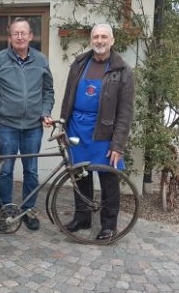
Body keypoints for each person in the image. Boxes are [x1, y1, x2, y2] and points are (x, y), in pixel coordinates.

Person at [59, 23, 134, 240]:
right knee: (80, 176)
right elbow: (68, 97)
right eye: (95, 37)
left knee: (109, 180)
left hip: (104, 133)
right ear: (91, 40)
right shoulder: (80, 63)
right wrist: (63, 124)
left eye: (104, 37)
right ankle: (82, 217)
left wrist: (118, 144)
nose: (99, 41)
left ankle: (109, 226)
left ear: (112, 40)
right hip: (76, 129)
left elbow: (125, 112)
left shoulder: (122, 70)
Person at [0, 17, 54, 231]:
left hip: (33, 127)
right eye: (15, 33)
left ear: (30, 36)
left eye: (23, 33)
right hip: (6, 125)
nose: (19, 37)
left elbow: (48, 92)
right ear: (10, 37)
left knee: (31, 171)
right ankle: (7, 211)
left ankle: (29, 210)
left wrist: (45, 112)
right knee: (6, 171)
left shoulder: (41, 60)